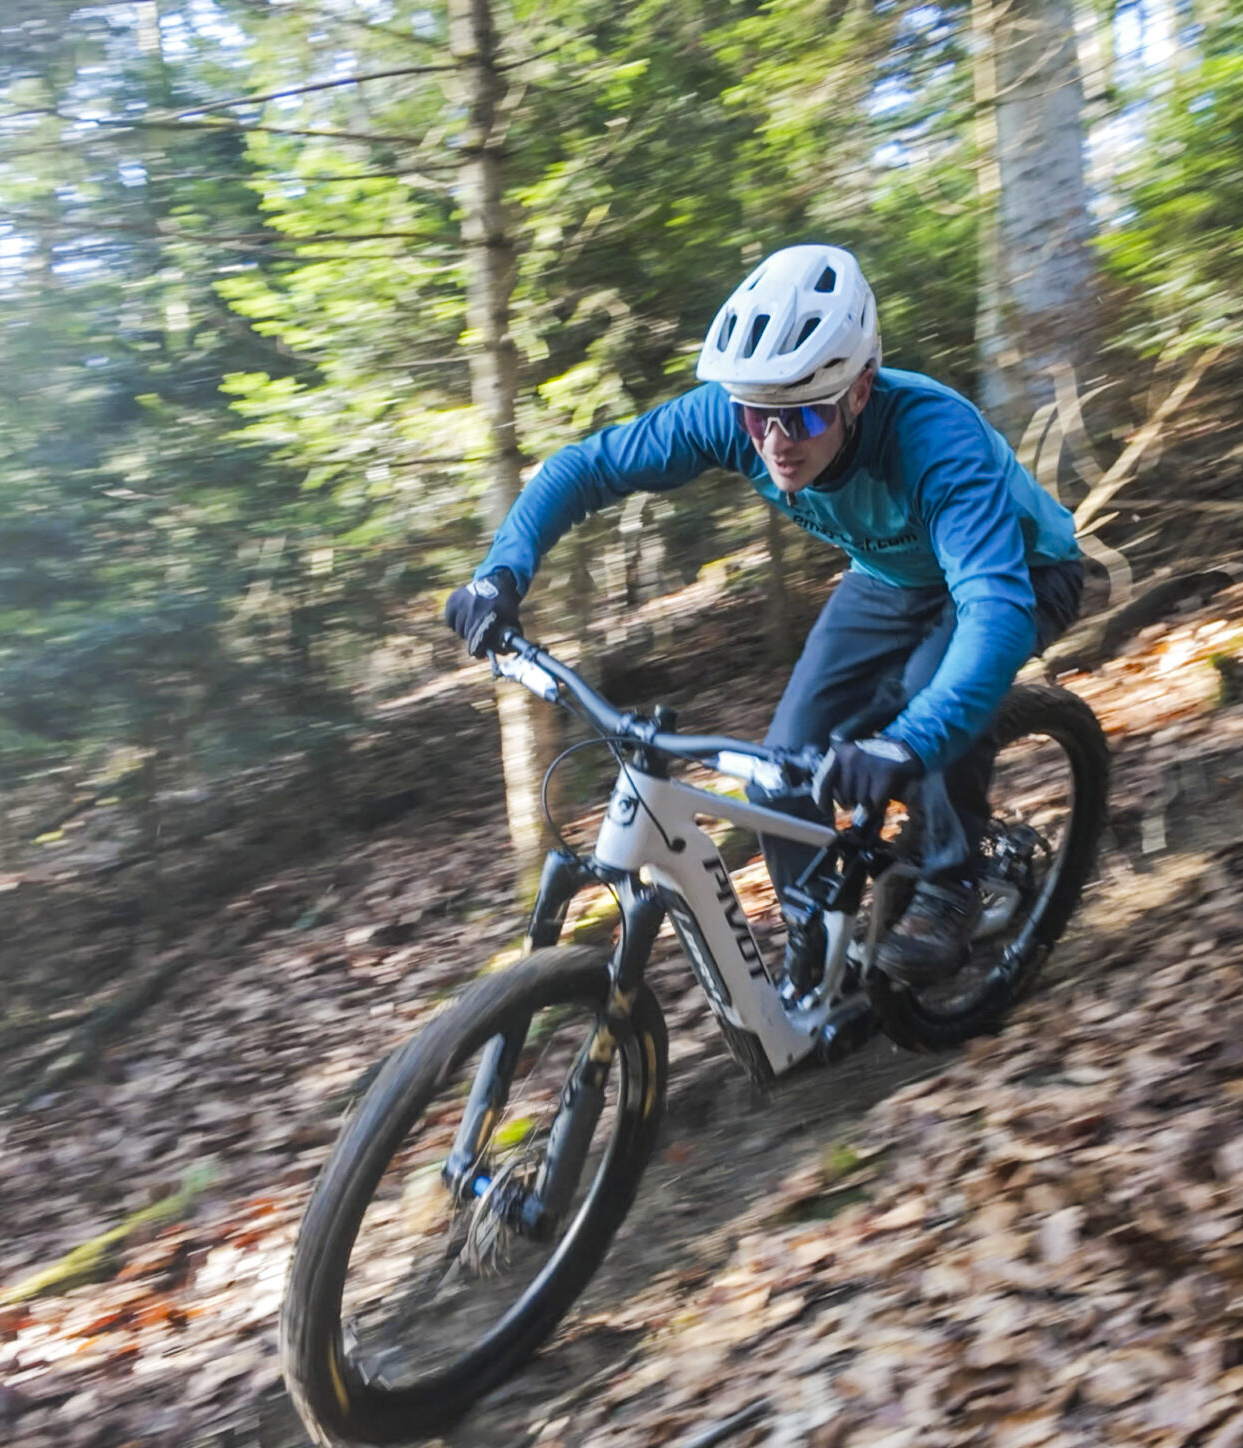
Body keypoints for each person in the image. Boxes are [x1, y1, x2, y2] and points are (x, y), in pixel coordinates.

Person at [444, 243, 1083, 986]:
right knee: (780, 769)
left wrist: (905, 743)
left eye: (804, 415)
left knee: (927, 697)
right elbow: (588, 468)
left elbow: (994, 612)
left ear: (859, 391)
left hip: (1022, 572)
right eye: (757, 416)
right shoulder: (733, 416)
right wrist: (501, 573)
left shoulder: (936, 439)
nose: (776, 443)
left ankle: (953, 881)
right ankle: (817, 928)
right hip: (890, 579)